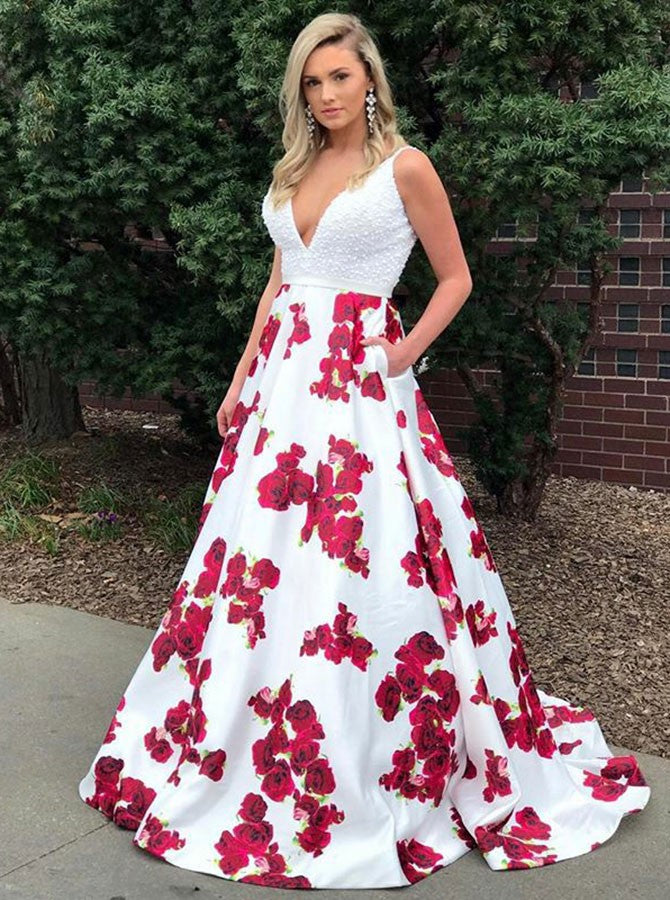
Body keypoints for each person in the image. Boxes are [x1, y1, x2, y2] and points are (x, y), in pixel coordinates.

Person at [78, 11, 650, 890]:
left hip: (359, 391)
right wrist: (239, 382)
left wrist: (404, 351)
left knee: (360, 559)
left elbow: (456, 276)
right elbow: (280, 282)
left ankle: (363, 744)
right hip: (282, 389)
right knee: (261, 565)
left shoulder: (403, 168)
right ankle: (244, 728)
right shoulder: (294, 168)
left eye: (339, 77)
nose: (326, 94)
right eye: (311, 82)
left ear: (370, 80)